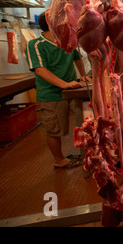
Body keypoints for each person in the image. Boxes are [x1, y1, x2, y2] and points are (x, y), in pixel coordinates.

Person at [26, 12, 91, 168]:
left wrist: (83, 76)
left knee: (86, 124)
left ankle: (90, 155)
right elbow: (40, 70)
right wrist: (64, 84)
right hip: (51, 94)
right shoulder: (36, 44)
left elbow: (77, 57)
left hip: (72, 90)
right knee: (55, 129)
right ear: (51, 23)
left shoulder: (67, 41)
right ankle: (59, 160)